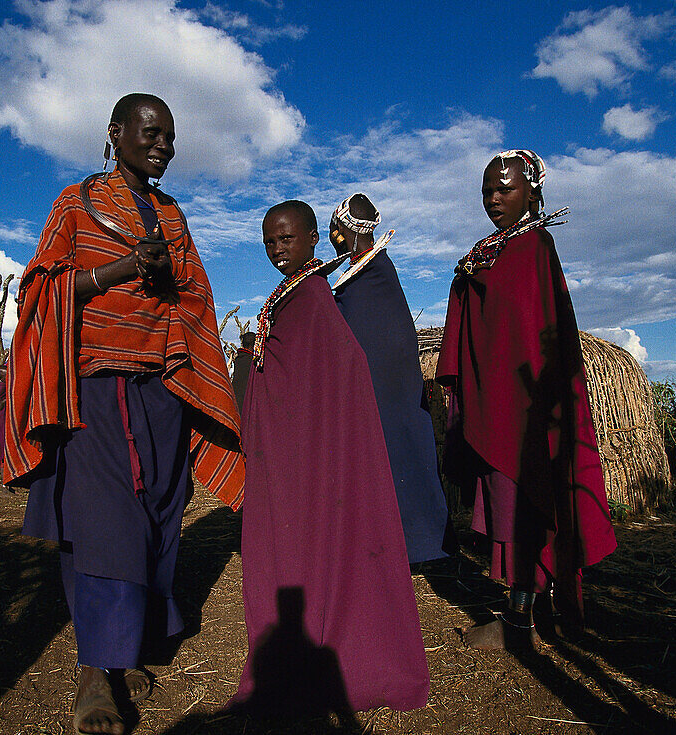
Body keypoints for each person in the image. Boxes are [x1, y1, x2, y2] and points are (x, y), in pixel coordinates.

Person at [1, 93, 245, 735]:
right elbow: (41, 289)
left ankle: (129, 643)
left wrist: (170, 285)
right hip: (97, 386)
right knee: (106, 518)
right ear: (116, 134)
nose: (162, 145)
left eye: (170, 135)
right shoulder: (76, 203)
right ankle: (95, 673)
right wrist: (121, 269)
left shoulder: (172, 212)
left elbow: (194, 297)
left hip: (161, 383)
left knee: (162, 509)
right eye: (150, 133)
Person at [235, 200, 429, 714]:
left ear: (315, 237)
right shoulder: (292, 294)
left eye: (287, 239)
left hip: (307, 448)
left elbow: (339, 367)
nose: (278, 250)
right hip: (290, 447)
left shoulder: (316, 295)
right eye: (270, 242)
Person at [436, 150, 617, 650]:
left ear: (532, 190)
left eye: (505, 189)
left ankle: (521, 620)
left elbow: (532, 331)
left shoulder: (534, 248)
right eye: (487, 191)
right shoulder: (493, 249)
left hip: (525, 408)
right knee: (507, 500)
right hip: (495, 402)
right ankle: (522, 614)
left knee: (527, 500)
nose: (494, 198)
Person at [329, 193, 453, 564]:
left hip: (386, 389)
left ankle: (418, 544)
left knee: (397, 457)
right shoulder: (369, 272)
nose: (332, 237)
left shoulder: (373, 274)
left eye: (334, 230)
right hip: (384, 389)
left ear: (343, 233)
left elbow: (374, 334)